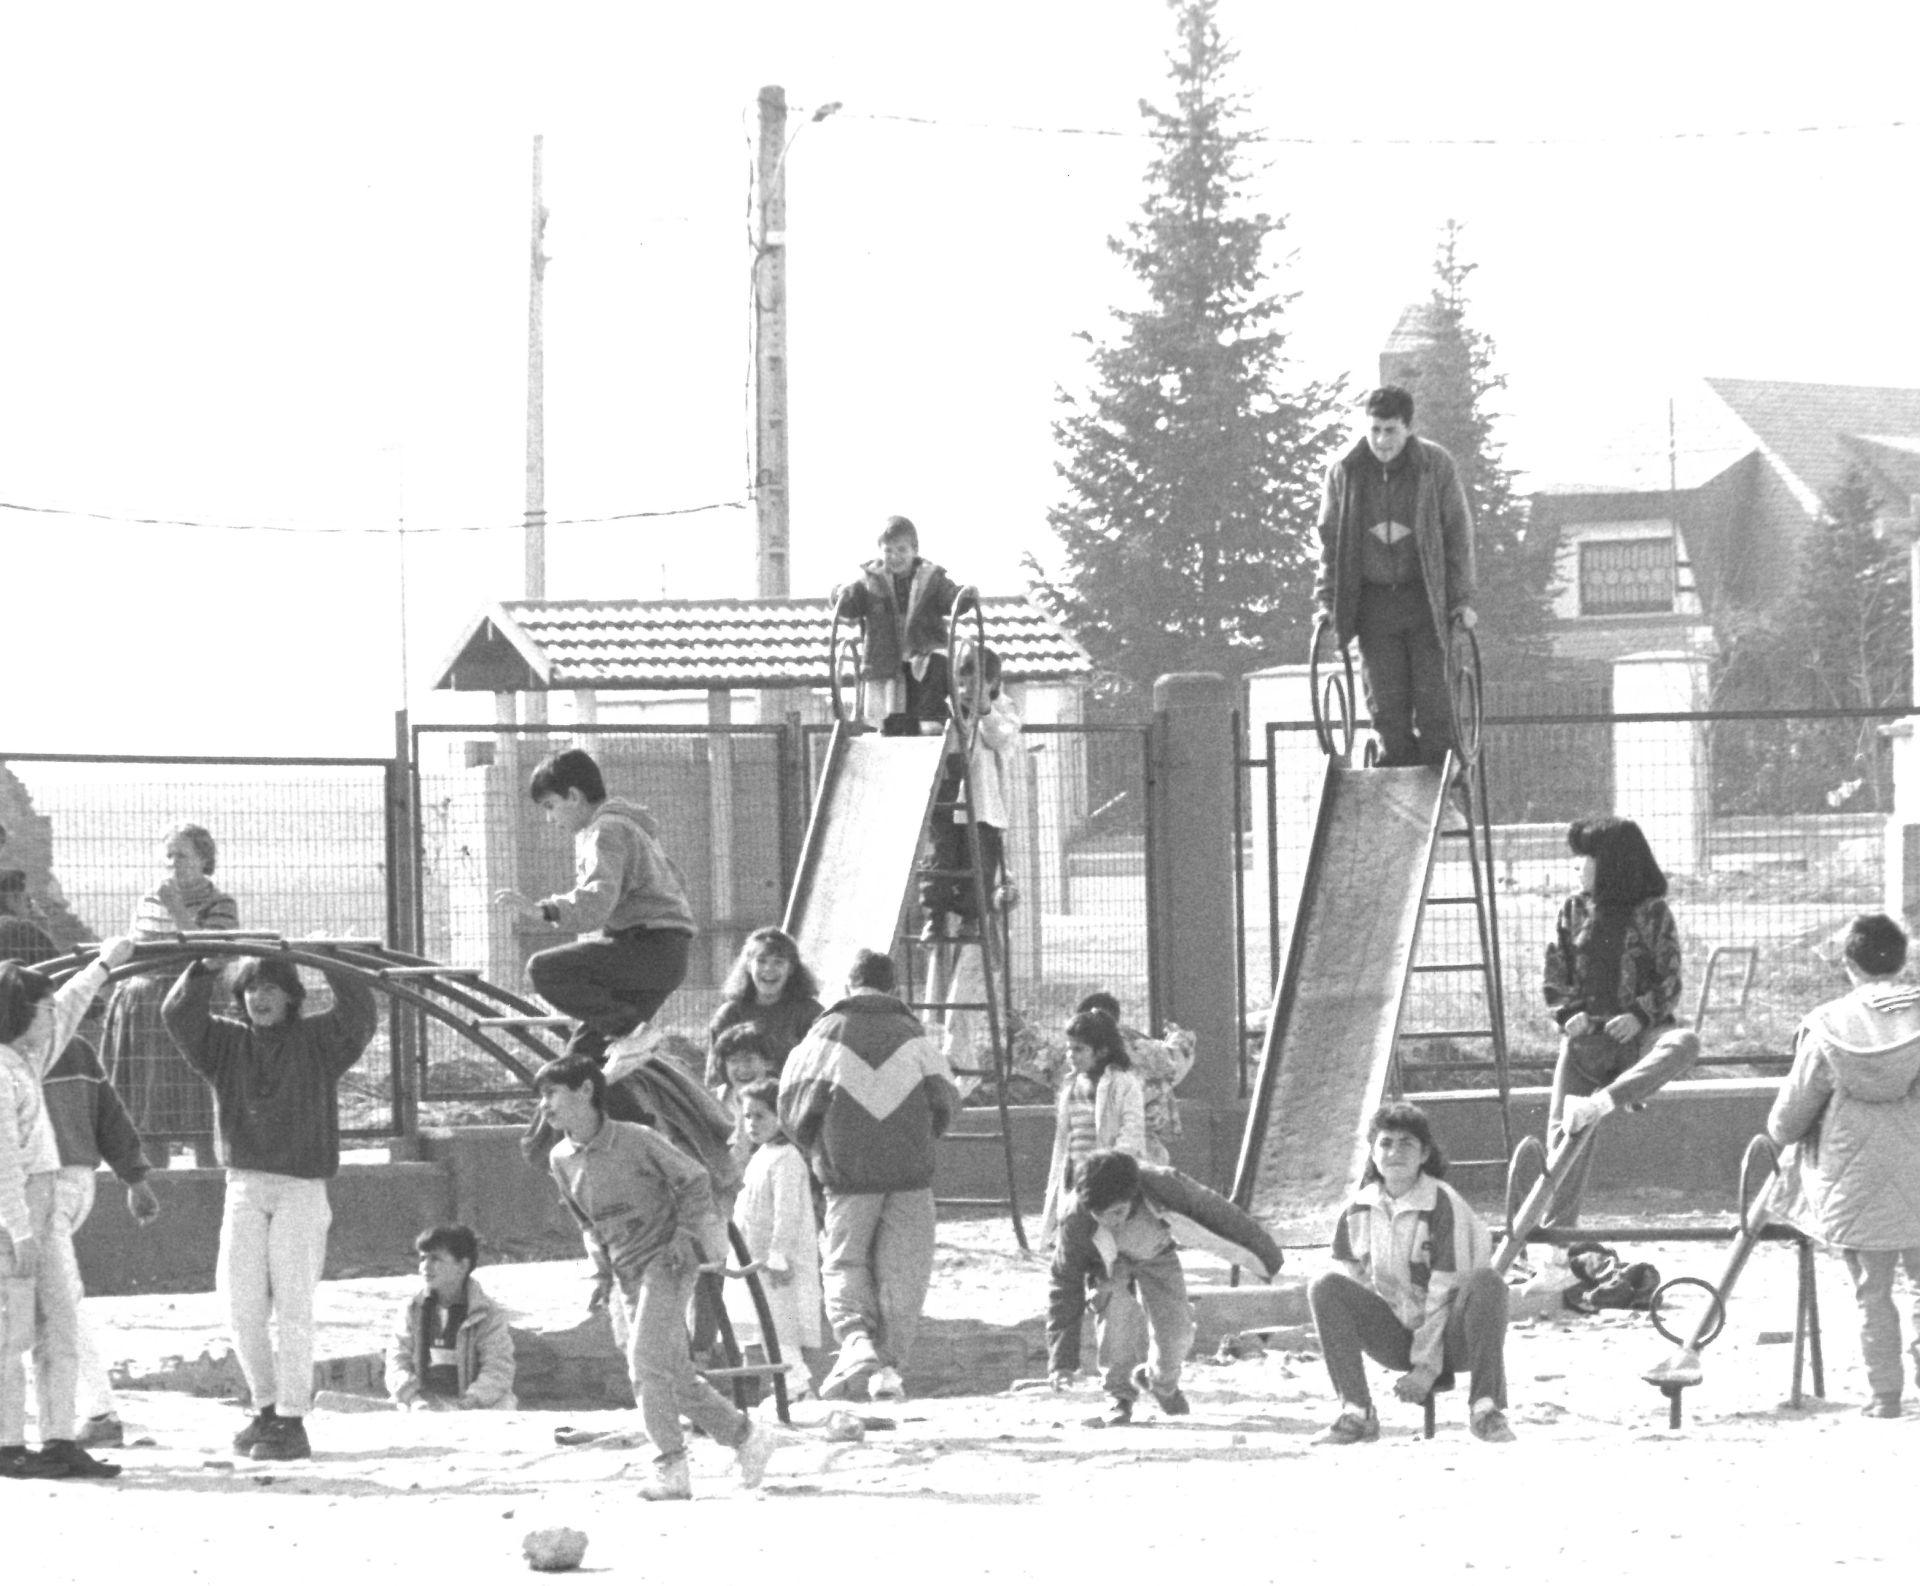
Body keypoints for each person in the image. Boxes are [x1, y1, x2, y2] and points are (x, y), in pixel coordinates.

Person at [162, 949, 379, 1461]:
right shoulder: (225, 1043)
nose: (260, 998)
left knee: (293, 1306)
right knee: (239, 1305)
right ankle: (264, 1409)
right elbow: (178, 1015)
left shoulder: (318, 1041)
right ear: (239, 997)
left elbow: (359, 1016)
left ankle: (292, 1419)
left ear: (292, 996)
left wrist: (330, 961)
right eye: (251, 988)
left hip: (300, 1188)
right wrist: (203, 970)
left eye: (272, 988)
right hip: (244, 1185)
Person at [537, 1054, 774, 1501]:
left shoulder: (637, 1140)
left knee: (644, 1365)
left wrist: (685, 1237)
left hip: (666, 1262)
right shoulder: (561, 1158)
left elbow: (696, 1180)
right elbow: (586, 1222)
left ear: (586, 1091)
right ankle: (746, 1437)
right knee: (675, 1376)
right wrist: (600, 1273)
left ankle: (670, 1468)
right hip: (624, 1272)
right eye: (541, 1096)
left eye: (552, 1093)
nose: (544, 1106)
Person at [778, 947, 958, 1403]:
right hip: (911, 1175)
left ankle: (855, 1340)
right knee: (904, 1272)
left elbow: (792, 1105)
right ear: (895, 989)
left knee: (844, 1261)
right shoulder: (916, 1037)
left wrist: (818, 1149)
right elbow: (947, 1103)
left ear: (847, 986)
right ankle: (888, 1370)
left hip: (848, 1177)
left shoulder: (824, 1036)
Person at [1768, 913, 1920, 1417]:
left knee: (1872, 1293)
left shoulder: (1827, 1027)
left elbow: (1788, 1122)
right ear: (1903, 960)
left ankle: (1885, 1397)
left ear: (1848, 965)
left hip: (1853, 1184)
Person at [0, 934, 136, 1480]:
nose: (52, 1015)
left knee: (58, 1321)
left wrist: (104, 964)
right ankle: (7, 1441)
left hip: (44, 1201)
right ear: (17, 1012)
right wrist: (17, 1228)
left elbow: (70, 1007)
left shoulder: (27, 1058)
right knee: (10, 1328)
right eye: (42, 1007)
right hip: (16, 1213)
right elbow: (3, 1159)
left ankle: (58, 1438)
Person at [1308, 1102, 1515, 1444]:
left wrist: (1426, 1368)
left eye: (1407, 1143)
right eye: (1385, 1143)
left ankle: (1485, 1409)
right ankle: (1356, 1412)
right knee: (1325, 1287)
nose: (1394, 1152)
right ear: (1373, 1153)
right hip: (1397, 1335)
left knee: (1487, 1283)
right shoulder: (1358, 1208)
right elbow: (1356, 1278)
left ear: (1424, 1154)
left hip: (1454, 1337)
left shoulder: (1442, 1203)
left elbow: (1445, 1291)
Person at [1539, 816, 1700, 1231]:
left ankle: (1606, 1100)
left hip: (1641, 1037)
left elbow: (1671, 977)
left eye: (1585, 859)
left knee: (1684, 1043)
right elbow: (1555, 974)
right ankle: (1556, 1249)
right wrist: (1567, 1013)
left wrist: (1640, 1015)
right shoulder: (1573, 910)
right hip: (1586, 1043)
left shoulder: (1652, 913)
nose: (1576, 867)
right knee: (1561, 1138)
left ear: (1610, 865)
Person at [1046, 1149, 1282, 1428]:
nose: (1111, 1222)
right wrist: (1061, 1362)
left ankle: (1161, 1382)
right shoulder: (1075, 1219)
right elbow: (1064, 1284)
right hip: (1108, 1267)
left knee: (1178, 1331)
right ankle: (1119, 1397)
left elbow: (1219, 1214)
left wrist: (1266, 1256)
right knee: (1115, 1320)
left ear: (1133, 1196)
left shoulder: (1165, 1185)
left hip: (1157, 1255)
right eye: (1101, 1216)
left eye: (1119, 1212)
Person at [494, 747, 697, 1066]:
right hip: (665, 955)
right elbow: (676, 882)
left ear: (573, 796)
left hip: (648, 950)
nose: (550, 819)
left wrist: (545, 910)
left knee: (544, 969)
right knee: (583, 1065)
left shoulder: (607, 830)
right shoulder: (633, 827)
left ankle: (631, 1030)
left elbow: (596, 902)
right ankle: (628, 1080)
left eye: (551, 806)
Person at [1313, 385, 1476, 770]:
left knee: (1435, 705)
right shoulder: (1345, 471)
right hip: (1374, 607)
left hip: (1425, 603)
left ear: (1408, 428)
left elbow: (1457, 535)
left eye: (1390, 430)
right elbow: (1329, 541)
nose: (1382, 440)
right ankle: (1398, 800)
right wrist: (1326, 602)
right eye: (1374, 430)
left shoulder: (1435, 466)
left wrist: (1463, 601)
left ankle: (1444, 794)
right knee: (1387, 710)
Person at [40, 1027, 161, 1450]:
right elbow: (110, 1115)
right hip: (77, 1181)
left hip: (44, 1183)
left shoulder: (16, 1050)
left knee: (54, 1299)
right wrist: (135, 1178)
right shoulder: (75, 1048)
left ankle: (99, 1411)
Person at [102, 824, 238, 1169]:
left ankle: (210, 1186)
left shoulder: (220, 904)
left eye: (182, 855)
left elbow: (209, 954)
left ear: (204, 859)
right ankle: (156, 1184)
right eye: (169, 855)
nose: (173, 863)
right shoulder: (149, 900)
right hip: (146, 1014)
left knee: (200, 1103)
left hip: (193, 1008)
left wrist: (177, 910)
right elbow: (137, 952)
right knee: (149, 1109)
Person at [920, 644, 1023, 940]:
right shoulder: (950, 708)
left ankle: (970, 918)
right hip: (951, 797)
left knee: (980, 863)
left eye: (974, 684)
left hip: (985, 804)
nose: (966, 690)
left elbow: (1001, 739)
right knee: (941, 858)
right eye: (961, 683)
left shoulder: (1003, 708)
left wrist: (984, 710)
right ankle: (934, 918)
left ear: (992, 683)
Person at [832, 514, 973, 732]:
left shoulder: (931, 578)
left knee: (934, 672)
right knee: (896, 710)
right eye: (888, 550)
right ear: (880, 552)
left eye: (901, 550)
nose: (895, 556)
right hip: (887, 656)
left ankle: (932, 718)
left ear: (914, 550)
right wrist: (838, 594)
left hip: (923, 648)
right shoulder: (871, 581)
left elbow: (948, 599)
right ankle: (893, 732)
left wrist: (963, 597)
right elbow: (850, 606)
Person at [732, 1078, 827, 1397]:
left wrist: (778, 1255)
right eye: (747, 1116)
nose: (752, 1123)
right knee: (761, 1324)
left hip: (778, 1260)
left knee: (782, 1325)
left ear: (781, 1116)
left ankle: (796, 1386)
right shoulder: (762, 1155)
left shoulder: (788, 1158)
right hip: (754, 1256)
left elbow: (787, 1212)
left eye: (760, 1116)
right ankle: (782, 1388)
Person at [1039, 1009, 1146, 1248]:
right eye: (1069, 1048)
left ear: (1102, 1050)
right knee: (1077, 1233)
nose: (1070, 1055)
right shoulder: (1071, 1084)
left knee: (1112, 1236)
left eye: (1078, 1049)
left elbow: (1132, 1129)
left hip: (1110, 1175)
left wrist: (1113, 1166)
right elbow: (1066, 1136)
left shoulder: (1123, 1083)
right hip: (1077, 1175)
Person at [384, 1223, 518, 1411]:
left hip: (473, 1402)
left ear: (462, 1265)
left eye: (436, 1259)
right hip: (421, 1401)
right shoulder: (412, 1309)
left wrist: (469, 1402)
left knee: (503, 1406)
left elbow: (498, 1369)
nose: (425, 1267)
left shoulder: (487, 1313)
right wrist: (415, 1400)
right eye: (423, 1258)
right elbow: (397, 1361)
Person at [1075, 991, 1191, 1166]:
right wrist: (1178, 1037)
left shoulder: (1078, 1052)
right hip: (1144, 1149)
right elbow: (1178, 1058)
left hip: (1096, 1149)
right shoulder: (1144, 1048)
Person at [706, 927, 823, 1087]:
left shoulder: (810, 1014)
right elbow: (715, 1075)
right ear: (748, 965)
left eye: (778, 962)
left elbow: (820, 1070)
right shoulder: (730, 1014)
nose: (769, 969)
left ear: (791, 969)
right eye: (761, 961)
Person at [0, 871, 57, 965]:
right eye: (28, 900)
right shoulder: (20, 928)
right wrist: (42, 924)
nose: (32, 905)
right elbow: (54, 964)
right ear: (13, 898)